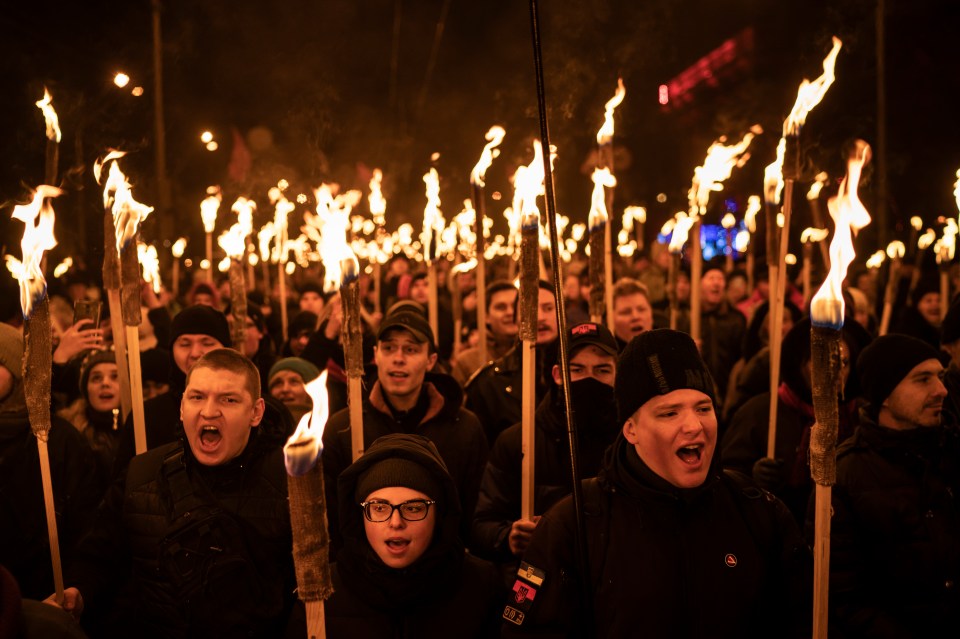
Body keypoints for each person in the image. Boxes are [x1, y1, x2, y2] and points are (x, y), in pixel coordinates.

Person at [503, 329, 811, 638]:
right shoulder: (576, 523)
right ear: (631, 429)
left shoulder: (757, 511)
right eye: (669, 413)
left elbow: (799, 617)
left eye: (703, 408)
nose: (694, 425)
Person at [48, 349, 297, 637]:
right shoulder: (141, 474)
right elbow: (101, 555)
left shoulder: (289, 483)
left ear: (256, 412)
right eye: (197, 397)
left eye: (228, 399)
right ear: (181, 407)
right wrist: (79, 591)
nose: (209, 411)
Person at [808, 334, 960, 637]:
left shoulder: (952, 453)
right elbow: (843, 595)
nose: (941, 390)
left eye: (940, 377)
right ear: (885, 396)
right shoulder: (844, 477)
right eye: (922, 380)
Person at [321, 309, 488, 557]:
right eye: (389, 348)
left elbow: (474, 510)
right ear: (376, 355)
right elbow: (335, 515)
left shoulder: (464, 427)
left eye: (410, 349)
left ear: (430, 360)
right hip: (364, 568)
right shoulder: (343, 428)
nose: (398, 359)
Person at [472, 323, 620, 575]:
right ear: (557, 374)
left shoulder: (630, 440)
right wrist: (508, 537)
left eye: (602, 370)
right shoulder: (519, 442)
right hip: (543, 579)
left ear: (617, 375)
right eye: (577, 370)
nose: (590, 379)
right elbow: (481, 524)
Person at [324, 433, 502, 638]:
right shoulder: (324, 590)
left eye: (414, 508)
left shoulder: (481, 585)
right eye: (380, 507)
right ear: (360, 515)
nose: (396, 522)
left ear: (440, 516)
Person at [723, 317, 870, 524]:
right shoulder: (760, 412)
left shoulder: (862, 416)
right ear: (801, 364)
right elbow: (726, 474)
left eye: (843, 362)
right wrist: (751, 478)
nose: (834, 372)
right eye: (822, 361)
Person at [0, 323, 103, 602]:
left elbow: (87, 529)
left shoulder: (59, 440)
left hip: (45, 599)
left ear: (18, 370)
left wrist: (75, 587)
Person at [466, 281, 559, 445]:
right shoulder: (488, 383)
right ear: (516, 318)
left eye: (548, 308)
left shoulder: (580, 371)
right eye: (531, 310)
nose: (540, 317)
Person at [57, 350, 123, 487]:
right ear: (86, 389)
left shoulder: (144, 428)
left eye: (115, 376)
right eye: (96, 378)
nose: (105, 383)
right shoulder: (68, 431)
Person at [452, 280, 518, 386]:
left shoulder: (537, 356)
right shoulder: (467, 361)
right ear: (486, 316)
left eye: (515, 306)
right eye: (501, 307)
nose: (510, 312)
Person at [609, 278, 658, 350]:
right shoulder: (608, 355)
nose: (635, 317)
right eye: (626, 312)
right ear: (610, 317)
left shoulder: (667, 342)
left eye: (641, 309)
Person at [268, 357, 321, 423]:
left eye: (294, 382)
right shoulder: (260, 429)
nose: (285, 389)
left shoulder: (328, 428)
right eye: (278, 383)